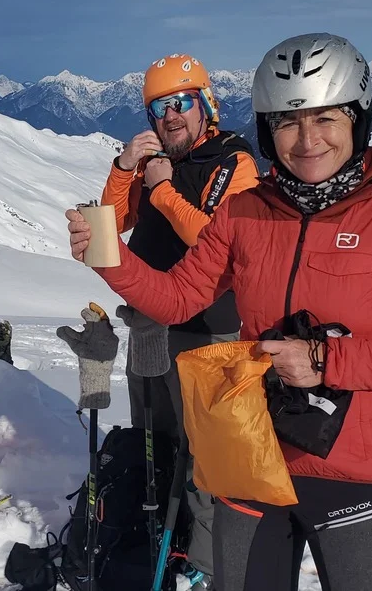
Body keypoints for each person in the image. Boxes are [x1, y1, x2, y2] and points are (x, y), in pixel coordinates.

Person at [66, 33, 372, 590]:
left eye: (325, 118)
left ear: (357, 120)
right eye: (288, 122)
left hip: (355, 474)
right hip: (251, 459)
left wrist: (326, 361)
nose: (307, 140)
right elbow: (178, 297)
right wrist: (105, 254)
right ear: (268, 129)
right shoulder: (245, 213)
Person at [101, 53, 260, 582]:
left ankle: (207, 566)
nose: (170, 116)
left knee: (207, 457)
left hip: (209, 332)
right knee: (155, 439)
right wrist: (124, 168)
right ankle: (158, 539)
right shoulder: (152, 163)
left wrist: (163, 190)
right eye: (158, 107)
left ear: (205, 104)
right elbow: (113, 223)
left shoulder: (233, 162)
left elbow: (216, 240)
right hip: (150, 325)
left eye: (181, 102)